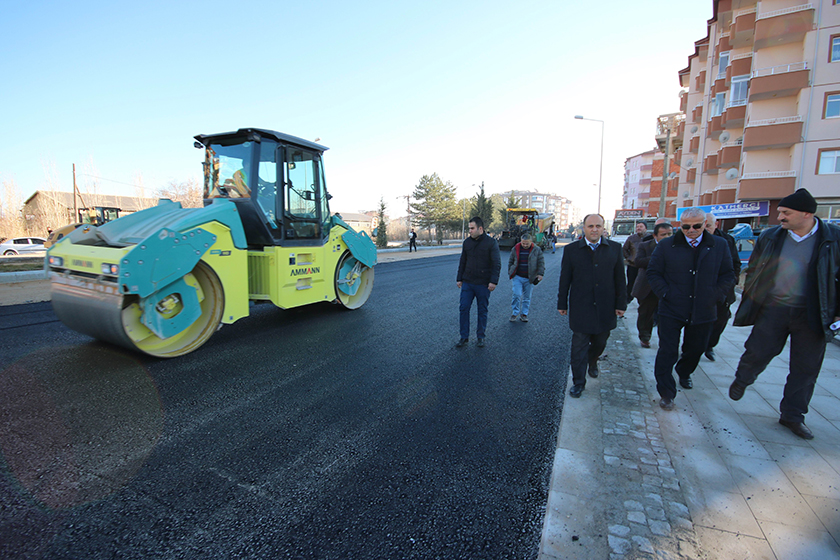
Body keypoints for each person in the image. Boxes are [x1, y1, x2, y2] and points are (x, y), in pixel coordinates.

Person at [729, 189, 840, 440]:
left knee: (806, 367)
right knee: (757, 351)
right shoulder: (771, 237)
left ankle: (792, 415)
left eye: (785, 212)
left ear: (806, 214)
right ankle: (742, 379)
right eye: (780, 212)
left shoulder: (834, 239)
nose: (780, 217)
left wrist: (837, 314)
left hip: (812, 313)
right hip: (774, 308)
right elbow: (756, 270)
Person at [646, 207, 734, 411]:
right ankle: (666, 392)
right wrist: (666, 293)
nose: (691, 230)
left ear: (705, 224)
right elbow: (654, 272)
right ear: (680, 226)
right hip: (672, 308)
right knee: (667, 351)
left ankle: (684, 372)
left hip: (704, 308)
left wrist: (715, 295)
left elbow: (728, 274)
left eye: (696, 226)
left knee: (696, 348)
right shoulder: (668, 245)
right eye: (686, 226)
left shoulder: (719, 245)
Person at [558, 214, 627, 398]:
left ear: (604, 228)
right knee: (578, 346)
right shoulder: (572, 250)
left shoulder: (614, 249)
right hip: (581, 307)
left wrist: (621, 304)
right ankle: (578, 382)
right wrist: (562, 303)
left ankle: (593, 359)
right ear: (584, 228)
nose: (594, 229)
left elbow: (620, 279)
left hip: (606, 307)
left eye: (598, 226)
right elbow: (565, 279)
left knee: (600, 342)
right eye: (590, 226)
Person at [456, 216, 501, 348]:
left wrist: (493, 281)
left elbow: (496, 264)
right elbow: (462, 261)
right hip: (468, 283)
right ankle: (464, 337)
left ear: (480, 228)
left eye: (472, 228)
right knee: (463, 308)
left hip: (483, 284)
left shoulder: (491, 243)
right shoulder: (467, 243)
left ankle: (480, 336)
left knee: (482, 310)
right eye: (469, 228)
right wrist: (459, 278)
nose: (469, 231)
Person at [703, 212, 741, 361]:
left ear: (716, 225)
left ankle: (710, 345)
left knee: (721, 319)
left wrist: (731, 282)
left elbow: (735, 264)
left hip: (723, 288)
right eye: (703, 226)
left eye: (708, 226)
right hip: (702, 287)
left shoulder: (727, 240)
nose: (705, 229)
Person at [631, 222, 673, 348]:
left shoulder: (676, 247)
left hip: (668, 286)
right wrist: (659, 256)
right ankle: (644, 337)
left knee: (666, 316)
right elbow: (638, 261)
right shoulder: (645, 245)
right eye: (663, 234)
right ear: (655, 235)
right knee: (646, 314)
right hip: (647, 286)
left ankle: (665, 340)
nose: (667, 237)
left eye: (669, 234)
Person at [508, 233, 545, 322]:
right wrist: (510, 271)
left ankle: (524, 314)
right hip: (517, 276)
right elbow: (511, 261)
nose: (524, 245)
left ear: (531, 242)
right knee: (516, 294)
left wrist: (540, 274)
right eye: (523, 243)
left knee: (527, 297)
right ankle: (515, 312)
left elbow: (541, 263)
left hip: (530, 278)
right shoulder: (515, 248)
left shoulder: (536, 250)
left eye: (526, 243)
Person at [622, 222, 648, 303]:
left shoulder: (650, 238)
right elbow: (624, 250)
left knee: (644, 286)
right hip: (633, 266)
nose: (638, 228)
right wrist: (630, 258)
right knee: (631, 285)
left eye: (641, 226)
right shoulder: (631, 238)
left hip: (645, 267)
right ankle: (625, 303)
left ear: (645, 228)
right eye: (637, 227)